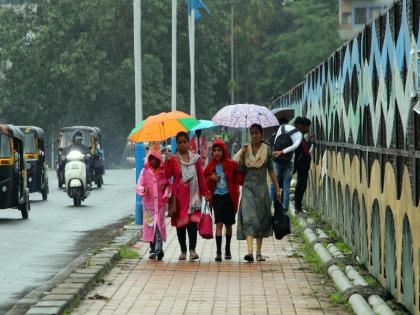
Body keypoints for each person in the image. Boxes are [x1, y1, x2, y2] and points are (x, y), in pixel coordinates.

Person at [234, 124, 281, 262]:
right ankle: (249, 252)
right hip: (248, 189)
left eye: (257, 133)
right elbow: (240, 170)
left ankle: (259, 252)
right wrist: (242, 154)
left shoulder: (267, 150)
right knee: (248, 217)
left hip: (262, 190)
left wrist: (277, 188)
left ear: (261, 134)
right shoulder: (245, 150)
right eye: (252, 133)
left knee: (260, 219)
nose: (254, 136)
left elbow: (271, 170)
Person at [165, 131, 209, 261]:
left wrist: (205, 193)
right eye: (179, 142)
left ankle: (192, 251)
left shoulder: (195, 159)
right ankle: (183, 251)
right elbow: (167, 176)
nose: (182, 144)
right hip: (179, 198)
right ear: (177, 144)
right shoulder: (172, 159)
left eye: (184, 142)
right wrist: (166, 162)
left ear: (188, 142)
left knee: (192, 224)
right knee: (181, 225)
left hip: (193, 197)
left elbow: (200, 178)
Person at [204, 139, 240, 262]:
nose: (217, 153)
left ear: (224, 151)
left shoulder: (231, 165)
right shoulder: (210, 166)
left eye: (219, 150)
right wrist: (211, 178)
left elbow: (239, 176)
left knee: (228, 225)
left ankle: (228, 250)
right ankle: (218, 252)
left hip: (229, 198)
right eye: (214, 150)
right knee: (219, 224)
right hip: (217, 198)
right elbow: (204, 180)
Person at [136, 149, 170, 260]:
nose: (154, 161)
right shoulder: (144, 171)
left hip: (160, 204)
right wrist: (143, 189)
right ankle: (152, 249)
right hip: (148, 206)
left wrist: (166, 193)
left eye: (157, 159)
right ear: (149, 159)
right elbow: (138, 186)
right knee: (151, 227)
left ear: (160, 159)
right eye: (152, 159)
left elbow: (168, 185)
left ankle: (159, 248)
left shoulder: (163, 172)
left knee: (159, 226)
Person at [272, 117, 303, 211]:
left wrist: (278, 153)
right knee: (286, 184)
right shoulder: (298, 134)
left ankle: (268, 206)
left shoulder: (281, 128)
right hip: (289, 161)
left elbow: (275, 143)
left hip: (277, 159)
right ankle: (285, 208)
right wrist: (283, 152)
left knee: (273, 184)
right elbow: (295, 146)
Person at [294, 118, 313, 214]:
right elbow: (306, 151)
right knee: (301, 186)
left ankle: (298, 206)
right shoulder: (299, 137)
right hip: (302, 166)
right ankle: (298, 207)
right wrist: (311, 142)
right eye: (307, 126)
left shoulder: (298, 136)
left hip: (300, 165)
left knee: (301, 185)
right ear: (301, 126)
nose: (308, 129)